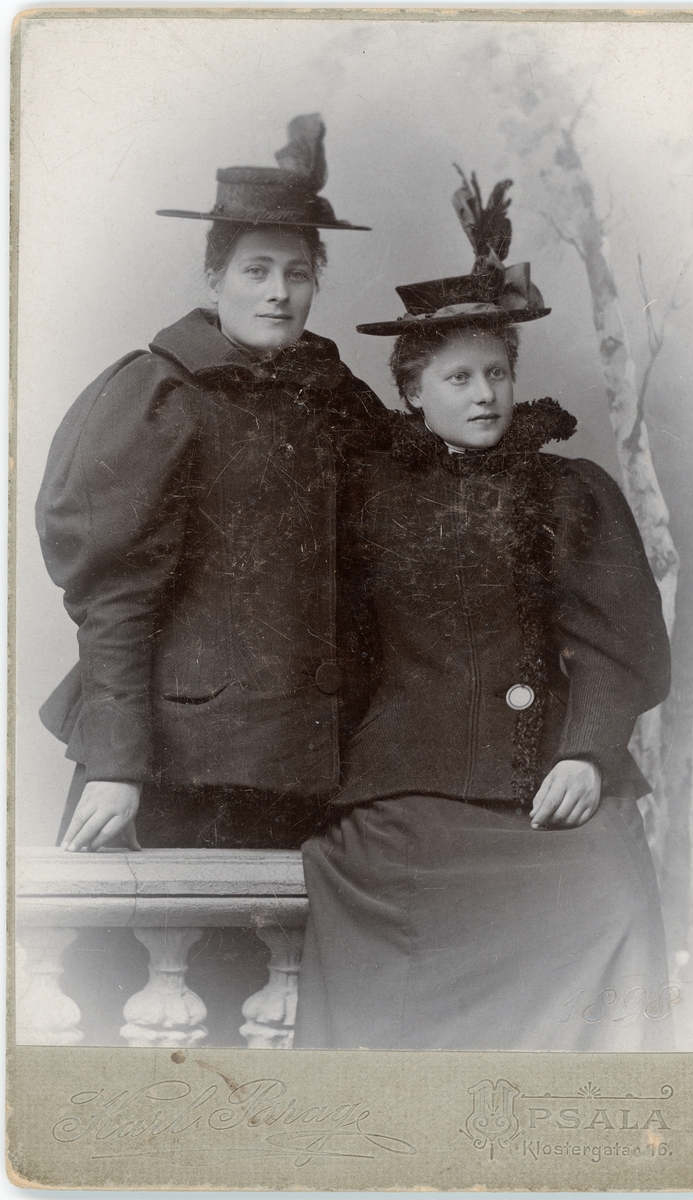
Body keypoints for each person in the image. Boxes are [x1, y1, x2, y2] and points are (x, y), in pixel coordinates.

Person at [294, 172, 673, 1051]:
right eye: (457, 376)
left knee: (614, 901)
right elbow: (335, 644)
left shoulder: (566, 488)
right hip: (407, 794)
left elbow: (621, 643)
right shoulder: (367, 495)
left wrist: (587, 753)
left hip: (547, 785)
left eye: (496, 372)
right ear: (411, 392)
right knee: (383, 943)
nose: (483, 394)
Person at [36, 114, 383, 854]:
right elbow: (116, 600)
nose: (278, 293)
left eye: (298, 274)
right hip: (179, 763)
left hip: (318, 758)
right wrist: (116, 764)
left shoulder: (341, 401)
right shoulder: (161, 396)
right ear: (214, 276)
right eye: (256, 271)